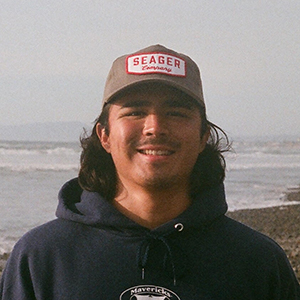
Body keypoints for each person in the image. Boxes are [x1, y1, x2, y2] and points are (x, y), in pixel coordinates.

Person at [1, 44, 299, 300]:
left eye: (176, 113)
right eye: (135, 111)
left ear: (202, 137)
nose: (155, 127)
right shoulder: (41, 258)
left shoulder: (257, 262)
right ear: (104, 135)